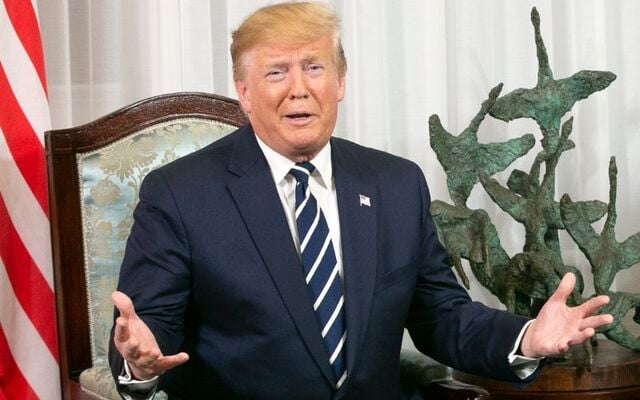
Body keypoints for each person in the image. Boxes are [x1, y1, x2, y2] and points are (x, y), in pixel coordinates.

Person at [109, 2, 613, 399]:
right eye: (276, 72)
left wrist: (526, 339)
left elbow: (441, 316)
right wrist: (139, 362)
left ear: (341, 81)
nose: (299, 90)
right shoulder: (179, 193)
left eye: (314, 67)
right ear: (243, 90)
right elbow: (147, 332)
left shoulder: (395, 183)